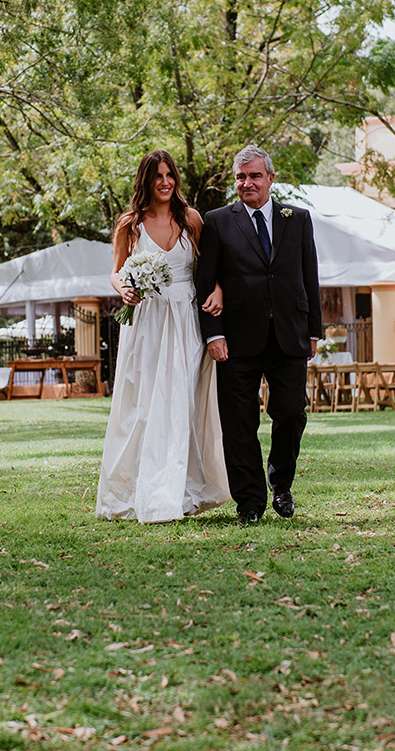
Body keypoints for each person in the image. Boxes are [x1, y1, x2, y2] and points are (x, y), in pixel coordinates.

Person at [96, 151, 232, 523]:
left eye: (169, 174)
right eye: (157, 176)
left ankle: (185, 489)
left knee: (183, 401)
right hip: (148, 322)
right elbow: (116, 271)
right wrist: (124, 289)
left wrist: (217, 289)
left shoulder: (191, 220)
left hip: (187, 318)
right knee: (145, 403)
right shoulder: (130, 225)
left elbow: (210, 267)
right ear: (146, 180)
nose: (165, 182)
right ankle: (144, 490)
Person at [195, 145, 321, 524]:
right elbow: (205, 281)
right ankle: (249, 502)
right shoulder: (217, 221)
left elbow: (309, 277)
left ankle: (280, 483)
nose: (246, 183)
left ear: (270, 178)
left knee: (291, 413)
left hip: (290, 335)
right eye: (240, 177)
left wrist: (314, 330)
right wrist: (213, 335)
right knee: (238, 425)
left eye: (254, 176)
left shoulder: (297, 218)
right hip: (235, 340)